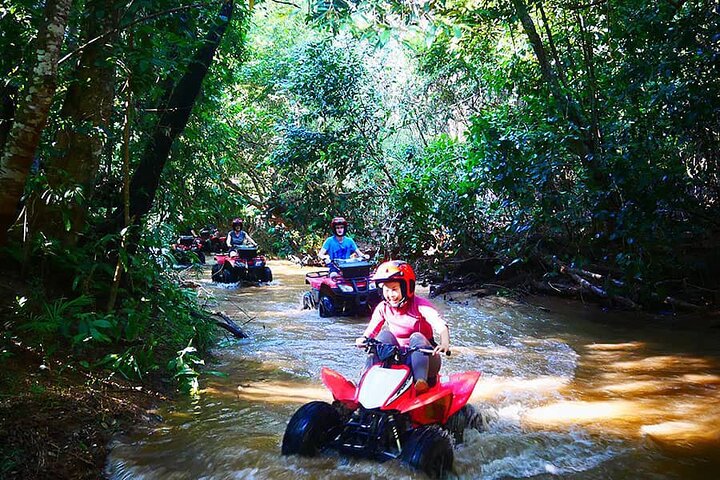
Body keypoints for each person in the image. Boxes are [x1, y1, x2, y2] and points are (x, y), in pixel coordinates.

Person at [355, 260, 450, 394]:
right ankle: (364, 382)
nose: (390, 294)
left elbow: (440, 325)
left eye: (394, 289)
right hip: (399, 359)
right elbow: (370, 332)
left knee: (416, 337)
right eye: (386, 290)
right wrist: (363, 340)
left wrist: (444, 343)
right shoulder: (383, 308)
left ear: (406, 288)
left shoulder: (420, 305)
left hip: (427, 360)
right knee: (383, 336)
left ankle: (420, 382)